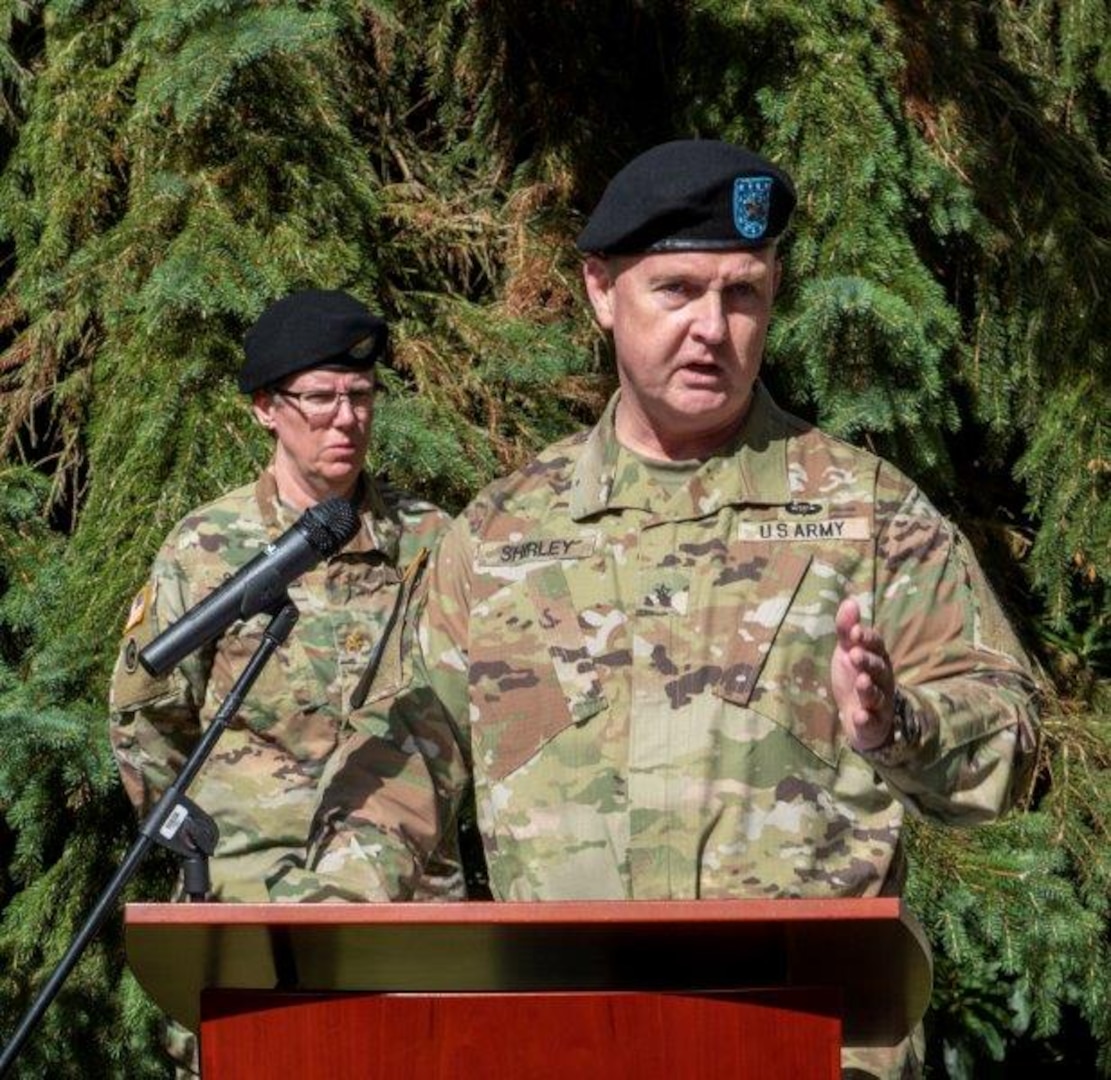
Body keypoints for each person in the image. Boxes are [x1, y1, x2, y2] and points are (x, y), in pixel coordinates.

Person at [307, 141, 1038, 1078]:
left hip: (803, 1047)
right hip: (561, 1046)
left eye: (743, 295)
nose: (712, 328)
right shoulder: (498, 539)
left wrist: (901, 725)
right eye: (678, 290)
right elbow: (394, 779)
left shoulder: (867, 516)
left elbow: (1007, 754)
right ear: (600, 291)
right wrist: (322, 965)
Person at [109, 288, 461, 906]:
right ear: (266, 408)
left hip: (408, 899)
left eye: (360, 395)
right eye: (322, 398)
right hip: (250, 890)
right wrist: (212, 839)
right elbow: (149, 721)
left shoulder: (432, 542)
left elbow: (468, 714)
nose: (347, 419)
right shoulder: (208, 546)